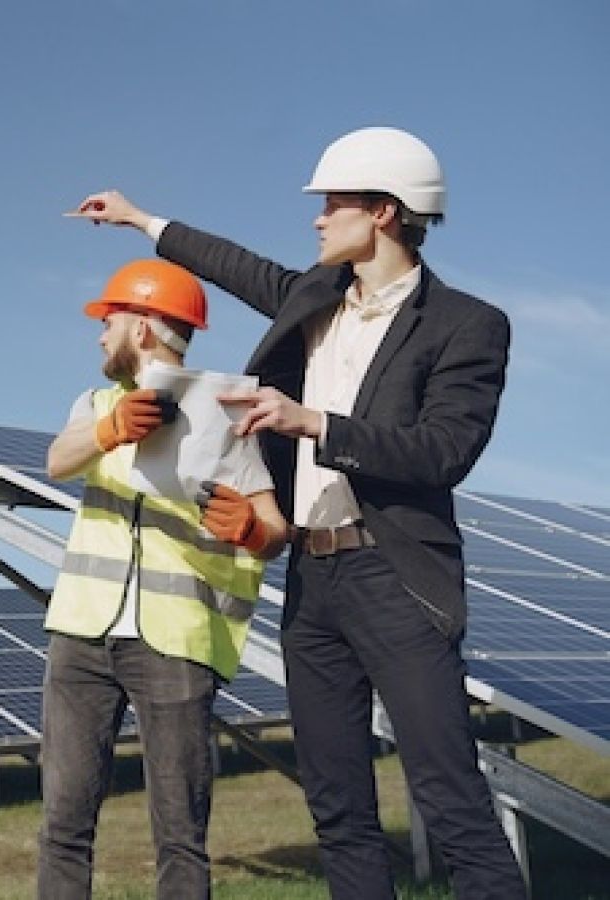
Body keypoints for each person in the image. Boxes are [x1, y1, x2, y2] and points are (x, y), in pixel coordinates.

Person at [67, 126, 527, 899]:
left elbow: (444, 450)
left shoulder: (467, 325)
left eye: (332, 204)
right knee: (338, 807)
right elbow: (235, 265)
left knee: (451, 800)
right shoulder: (313, 296)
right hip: (313, 586)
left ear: (384, 211)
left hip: (397, 580)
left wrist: (313, 422)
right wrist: (140, 218)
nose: (317, 219)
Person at [39, 258, 288, 899]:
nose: (99, 335)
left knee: (180, 833)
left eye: (109, 320)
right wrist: (108, 430)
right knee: (64, 820)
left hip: (176, 642)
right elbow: (57, 461)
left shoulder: (225, 416)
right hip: (82, 637)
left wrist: (252, 531)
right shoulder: (93, 403)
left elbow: (273, 526)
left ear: (144, 328)